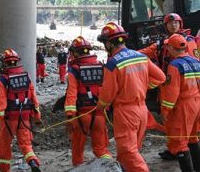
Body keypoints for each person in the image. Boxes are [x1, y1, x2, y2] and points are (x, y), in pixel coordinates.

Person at [97, 22, 165, 172]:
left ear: (109, 43)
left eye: (104, 43)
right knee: (128, 152)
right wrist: (140, 86)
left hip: (126, 113)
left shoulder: (113, 64)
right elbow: (161, 77)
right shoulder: (140, 56)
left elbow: (107, 96)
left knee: (129, 152)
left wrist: (100, 107)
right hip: (142, 111)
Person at [64, 36, 111, 166]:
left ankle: (78, 168)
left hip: (81, 116)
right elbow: (107, 89)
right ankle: (111, 167)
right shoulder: (101, 66)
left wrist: (69, 116)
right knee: (101, 149)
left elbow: (71, 94)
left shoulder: (74, 69)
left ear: (74, 52)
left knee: (78, 149)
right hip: (99, 114)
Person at [0, 48, 41, 171]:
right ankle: (33, 162)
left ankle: (4, 169)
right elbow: (33, 98)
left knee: (4, 145)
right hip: (24, 117)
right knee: (26, 144)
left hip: (9, 119)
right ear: (17, 62)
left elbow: (0, 103)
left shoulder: (3, 80)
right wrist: (37, 116)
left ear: (5, 63)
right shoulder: (26, 77)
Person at [160, 34, 200, 172]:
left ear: (172, 47)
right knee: (193, 137)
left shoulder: (175, 65)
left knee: (180, 142)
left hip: (184, 105)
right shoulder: (196, 62)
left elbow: (172, 92)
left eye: (168, 46)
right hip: (197, 103)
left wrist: (165, 110)